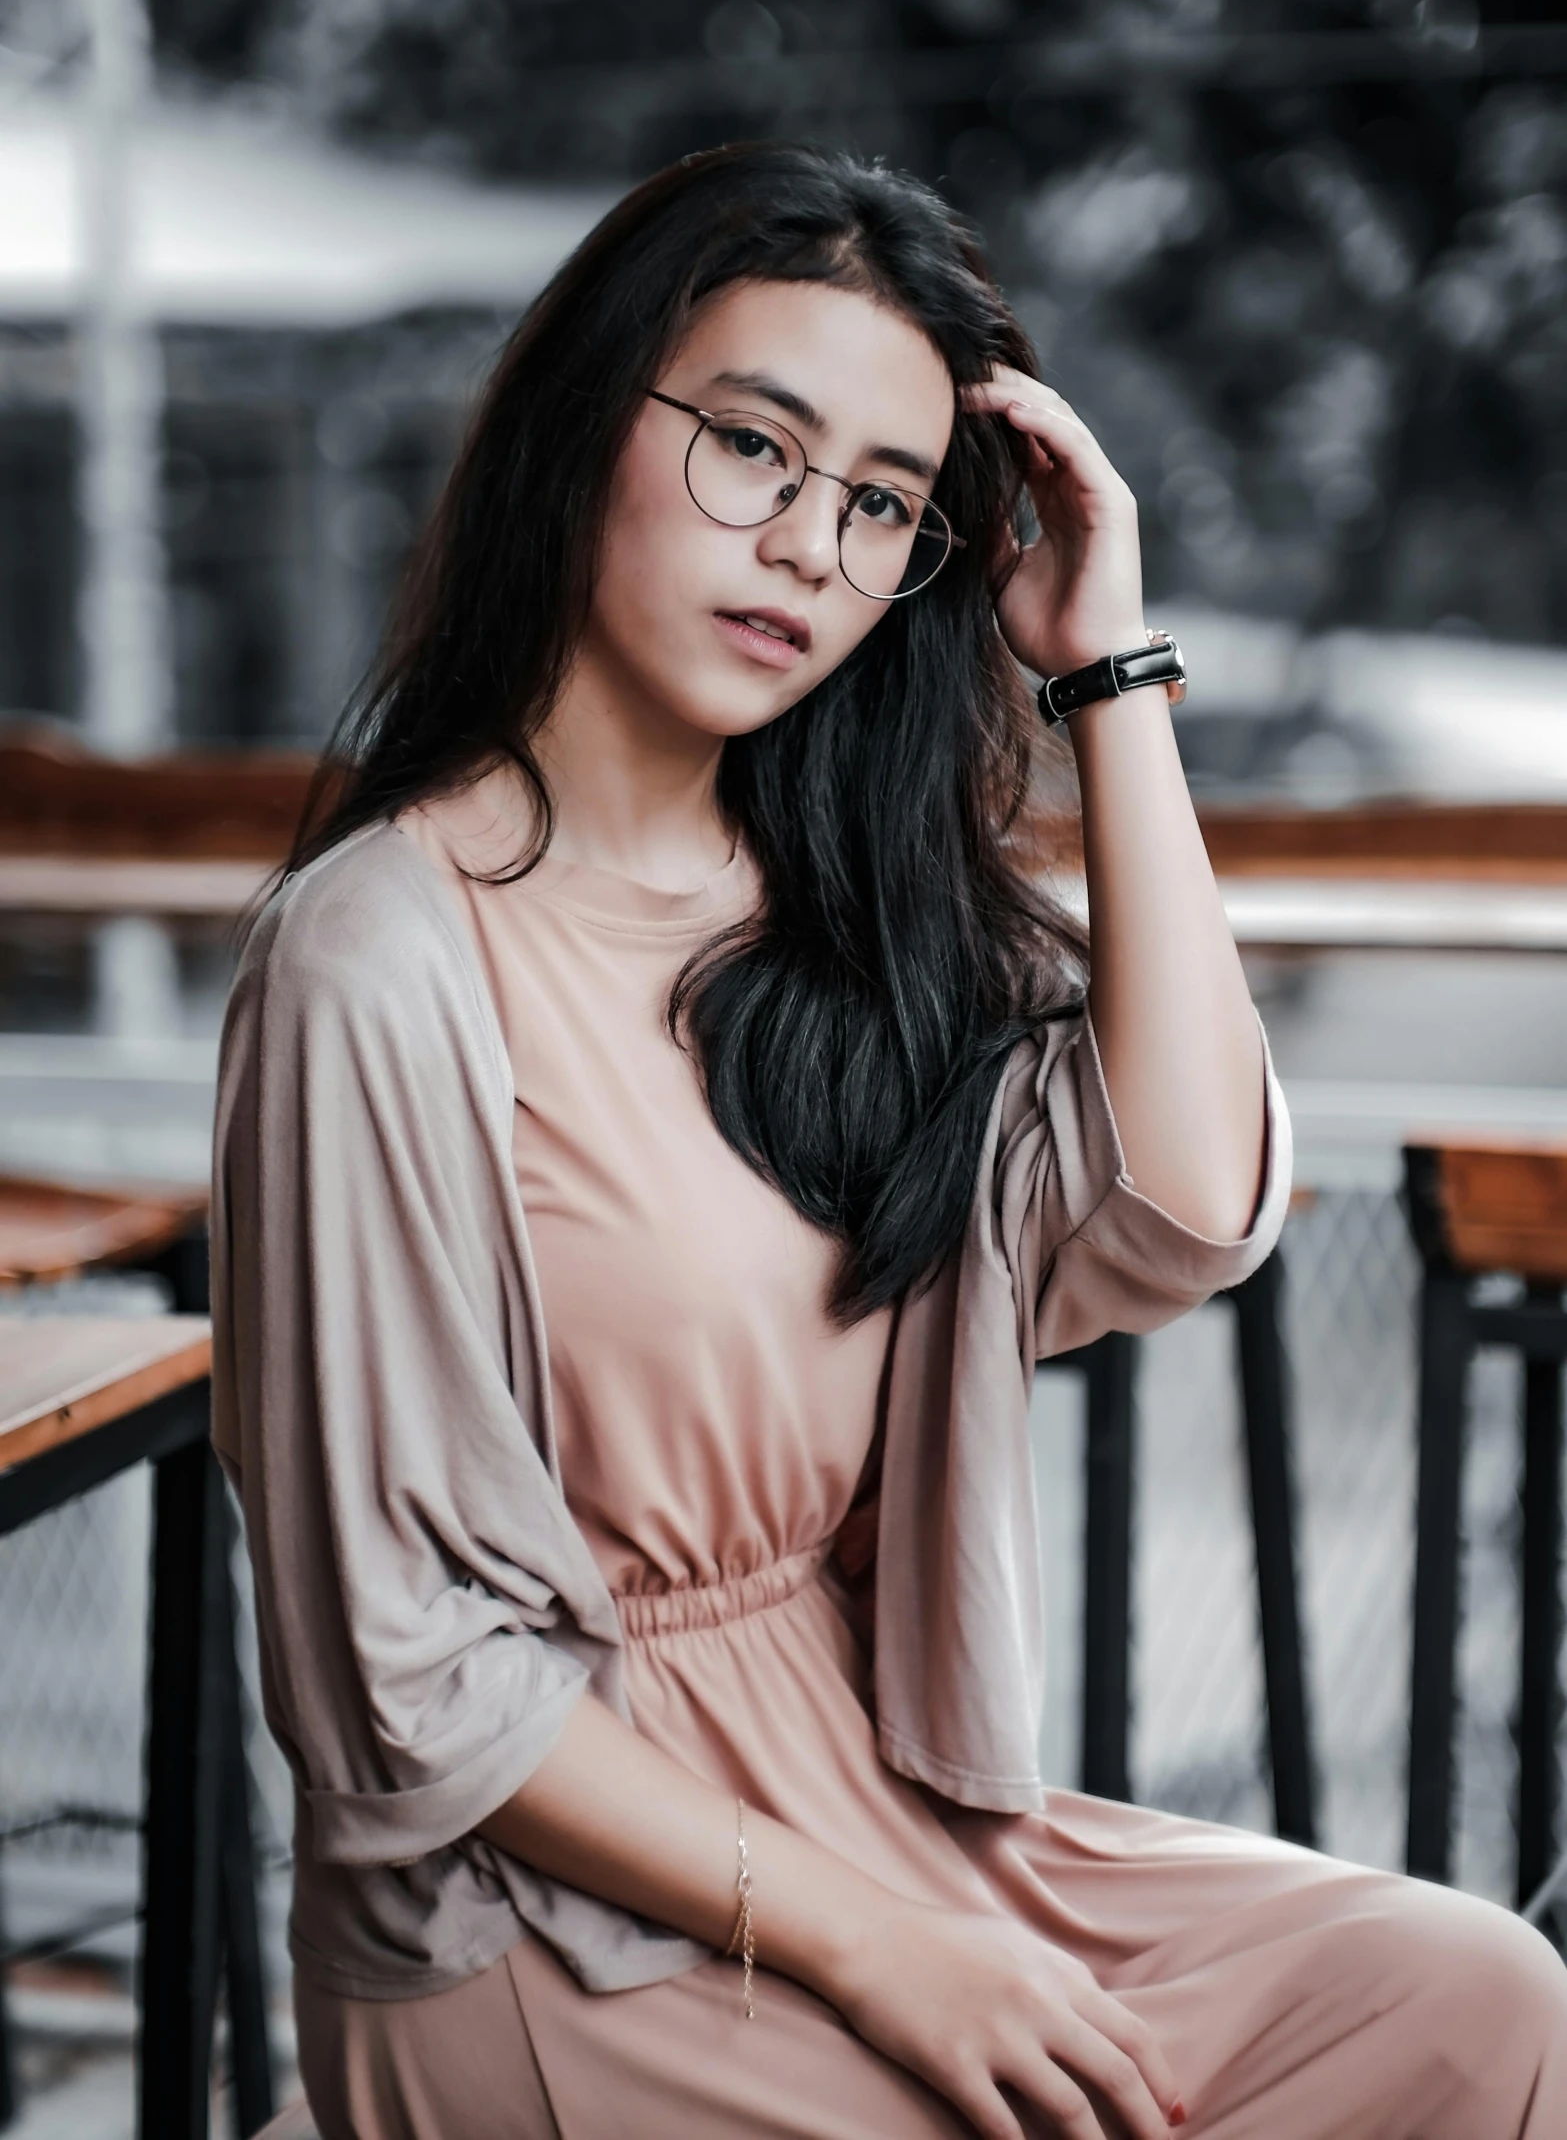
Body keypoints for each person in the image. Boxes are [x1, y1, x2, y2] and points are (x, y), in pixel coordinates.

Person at [212, 142, 1566, 2140]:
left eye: (882, 507)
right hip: (544, 1907)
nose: (806, 550)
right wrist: (875, 1945)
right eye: (753, 449)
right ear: (590, 422)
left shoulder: (847, 926)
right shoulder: (378, 958)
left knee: (1476, 2001)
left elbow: (1187, 1206)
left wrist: (1108, 671)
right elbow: (411, 1684)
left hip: (869, 1801)